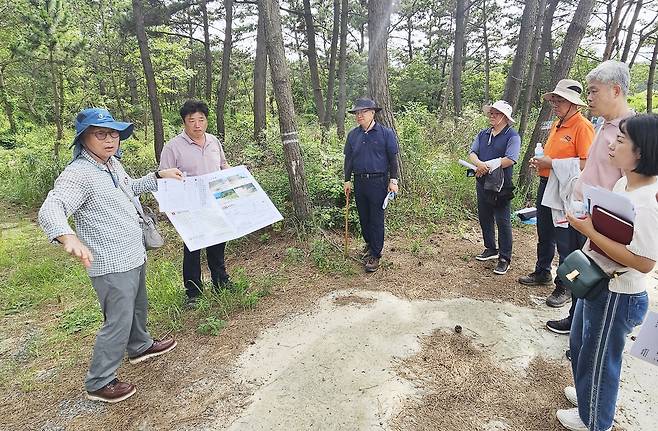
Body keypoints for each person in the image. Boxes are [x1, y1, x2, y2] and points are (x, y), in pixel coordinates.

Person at [38, 108, 182, 403]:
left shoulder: (112, 165)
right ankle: (99, 380)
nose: (109, 140)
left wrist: (157, 175)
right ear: (83, 138)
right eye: (100, 134)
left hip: (133, 253)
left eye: (113, 134)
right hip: (109, 261)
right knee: (117, 319)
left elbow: (130, 190)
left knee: (138, 306)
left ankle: (140, 345)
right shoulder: (78, 174)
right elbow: (52, 206)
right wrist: (67, 236)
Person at [557, 113, 657, 431]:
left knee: (600, 361)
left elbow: (643, 262)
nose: (612, 143)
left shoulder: (648, 203)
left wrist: (589, 230)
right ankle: (590, 396)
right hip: (597, 280)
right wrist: (587, 217)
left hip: (618, 294)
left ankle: (596, 421)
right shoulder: (622, 183)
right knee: (581, 346)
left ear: (642, 150)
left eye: (621, 139)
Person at [546, 61, 633, 336]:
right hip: (582, 215)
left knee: (599, 283)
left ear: (616, 90)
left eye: (594, 91)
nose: (590, 98)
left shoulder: (631, 133)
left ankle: (590, 337)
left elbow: (631, 187)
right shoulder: (604, 126)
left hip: (604, 226)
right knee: (581, 272)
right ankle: (576, 322)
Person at [518, 79, 595, 308]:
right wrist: (543, 163)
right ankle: (542, 271)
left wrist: (552, 162)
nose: (555, 104)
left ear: (574, 104)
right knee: (545, 232)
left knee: (567, 240)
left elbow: (586, 164)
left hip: (568, 193)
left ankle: (566, 286)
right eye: (554, 99)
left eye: (560, 100)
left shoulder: (583, 127)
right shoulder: (558, 124)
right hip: (548, 185)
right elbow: (554, 158)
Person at [159, 100, 231, 304]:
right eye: (192, 120)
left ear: (206, 120)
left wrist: (236, 176)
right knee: (192, 248)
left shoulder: (214, 141)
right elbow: (164, 177)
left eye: (201, 119)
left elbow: (223, 164)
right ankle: (193, 292)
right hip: (189, 206)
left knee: (218, 242)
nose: (197, 124)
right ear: (184, 122)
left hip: (214, 202)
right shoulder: (173, 147)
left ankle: (221, 281)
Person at [343, 98, 399, 272]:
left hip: (378, 181)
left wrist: (393, 180)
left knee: (376, 219)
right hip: (360, 181)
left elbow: (392, 159)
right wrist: (347, 180)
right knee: (364, 217)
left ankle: (376, 254)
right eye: (357, 113)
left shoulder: (386, 133)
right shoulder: (353, 135)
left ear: (373, 113)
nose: (359, 115)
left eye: (363, 112)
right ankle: (369, 244)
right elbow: (349, 160)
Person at [468, 100, 521, 275]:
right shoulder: (483, 134)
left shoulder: (512, 136)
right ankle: (490, 248)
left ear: (505, 117)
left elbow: (511, 159)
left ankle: (505, 257)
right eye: (491, 113)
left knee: (503, 221)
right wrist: (479, 164)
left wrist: (488, 166)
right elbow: (472, 153)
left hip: (501, 186)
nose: (492, 116)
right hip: (482, 182)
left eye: (496, 113)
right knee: (484, 217)